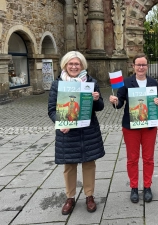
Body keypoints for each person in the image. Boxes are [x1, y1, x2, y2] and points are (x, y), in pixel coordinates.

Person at [47, 51, 105, 215]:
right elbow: (52, 109)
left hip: (88, 130)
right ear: (65, 65)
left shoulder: (91, 82)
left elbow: (100, 107)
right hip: (67, 132)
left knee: (89, 164)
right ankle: (70, 197)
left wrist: (96, 99)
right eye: (71, 64)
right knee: (69, 165)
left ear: (82, 66)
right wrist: (60, 123)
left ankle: (89, 195)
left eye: (77, 64)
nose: (74, 66)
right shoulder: (57, 84)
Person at [109, 53, 158, 203]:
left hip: (149, 126)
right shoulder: (126, 83)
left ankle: (147, 186)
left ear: (147, 66)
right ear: (133, 66)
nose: (141, 67)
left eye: (143, 64)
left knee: (148, 158)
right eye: (138, 64)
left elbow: (157, 104)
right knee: (132, 159)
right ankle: (134, 187)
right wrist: (114, 101)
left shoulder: (153, 83)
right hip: (131, 126)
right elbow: (119, 104)